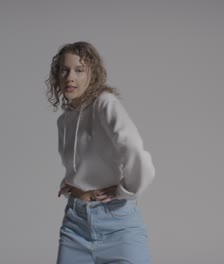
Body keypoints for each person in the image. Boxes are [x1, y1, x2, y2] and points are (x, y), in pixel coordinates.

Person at [46, 41, 155, 264]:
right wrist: (73, 181)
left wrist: (127, 190)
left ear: (92, 74)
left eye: (79, 70)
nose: (70, 77)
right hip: (75, 225)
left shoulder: (104, 103)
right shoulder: (64, 120)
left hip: (118, 225)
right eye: (64, 70)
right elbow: (83, 160)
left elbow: (134, 149)